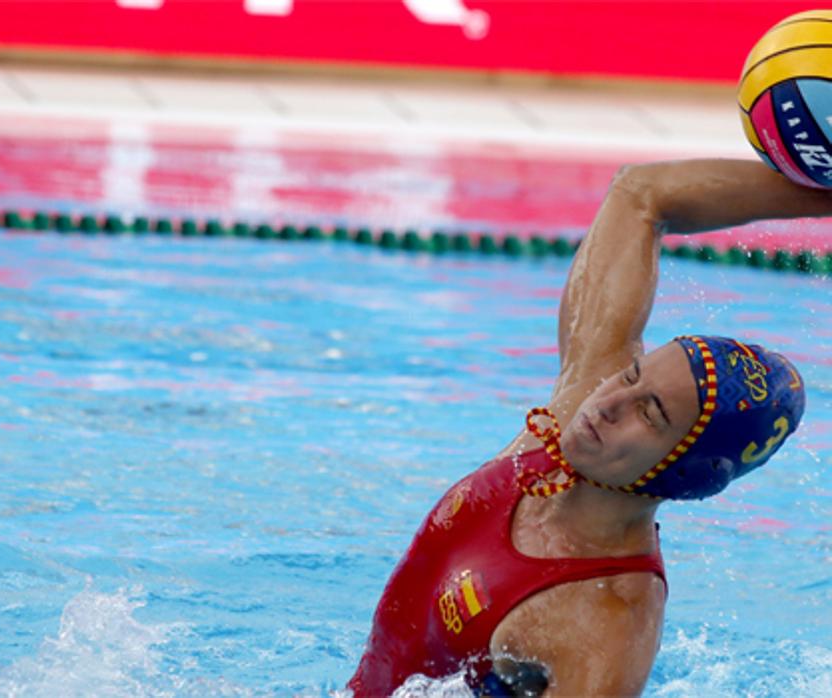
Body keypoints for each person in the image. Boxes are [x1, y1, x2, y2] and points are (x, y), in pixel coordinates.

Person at [348, 159, 830, 697]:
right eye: (631, 374)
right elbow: (641, 194)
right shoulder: (575, 406)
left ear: (688, 473)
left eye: (650, 414)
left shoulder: (604, 621)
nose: (608, 402)